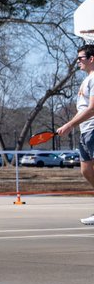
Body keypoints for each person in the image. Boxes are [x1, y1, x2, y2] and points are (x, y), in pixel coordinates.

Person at [56, 43, 94, 225]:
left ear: (91, 59)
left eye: (81, 58)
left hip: (93, 129)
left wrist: (70, 124)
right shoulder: (86, 79)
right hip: (85, 131)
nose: (77, 61)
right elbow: (83, 109)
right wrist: (71, 124)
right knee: (86, 170)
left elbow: (93, 109)